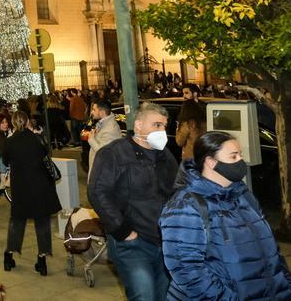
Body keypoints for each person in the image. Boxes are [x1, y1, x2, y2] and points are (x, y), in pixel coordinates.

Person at [160, 131, 291, 299]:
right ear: (211, 162)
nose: (240, 162)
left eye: (240, 155)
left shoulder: (243, 195)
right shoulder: (186, 205)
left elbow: (269, 248)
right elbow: (186, 269)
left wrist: (289, 287)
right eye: (233, 156)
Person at [88, 102, 178, 301]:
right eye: (156, 125)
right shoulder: (113, 153)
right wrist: (124, 231)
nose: (162, 130)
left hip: (165, 241)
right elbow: (97, 192)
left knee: (165, 295)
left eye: (164, 126)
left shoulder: (165, 155)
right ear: (138, 126)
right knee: (144, 295)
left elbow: (177, 190)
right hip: (133, 244)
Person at [1, 113, 62, 275]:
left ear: (13, 124)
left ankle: (9, 256)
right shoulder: (37, 139)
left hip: (21, 188)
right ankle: (42, 260)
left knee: (17, 221)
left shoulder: (9, 142)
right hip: (40, 186)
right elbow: (46, 155)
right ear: (28, 121)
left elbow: (5, 161)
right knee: (42, 222)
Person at [85, 99, 122, 182]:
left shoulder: (110, 129)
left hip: (103, 176)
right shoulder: (103, 124)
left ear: (102, 112)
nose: (91, 112)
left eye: (94, 110)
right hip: (100, 172)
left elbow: (103, 152)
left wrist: (91, 139)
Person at [175, 84, 205, 160]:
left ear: (195, 94)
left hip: (194, 155)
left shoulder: (205, 107)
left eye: (186, 93)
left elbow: (180, 141)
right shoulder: (184, 108)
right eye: (183, 93)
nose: (184, 96)